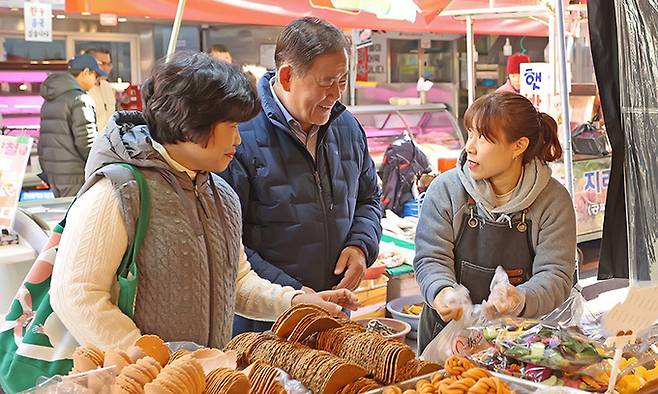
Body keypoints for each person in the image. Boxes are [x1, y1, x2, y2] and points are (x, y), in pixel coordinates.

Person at [49, 51, 359, 352]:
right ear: (191, 123)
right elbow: (75, 295)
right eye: (231, 126)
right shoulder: (120, 190)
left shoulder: (221, 195)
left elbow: (237, 283)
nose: (239, 139)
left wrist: (294, 302)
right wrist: (150, 361)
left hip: (205, 379)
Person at [221, 17, 382, 335]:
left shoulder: (347, 127)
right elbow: (227, 241)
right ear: (287, 76)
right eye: (326, 82)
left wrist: (361, 246)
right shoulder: (237, 135)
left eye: (343, 80)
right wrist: (292, 295)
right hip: (263, 323)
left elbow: (369, 198)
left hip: (333, 316)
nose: (336, 94)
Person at [413, 91, 576, 354]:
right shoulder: (447, 190)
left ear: (518, 146)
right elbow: (430, 257)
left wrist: (521, 297)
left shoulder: (553, 200)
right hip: (445, 340)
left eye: (483, 138)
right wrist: (441, 291)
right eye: (470, 134)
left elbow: (556, 275)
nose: (470, 147)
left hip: (518, 342)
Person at [38, 54, 105, 197]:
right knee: (78, 216)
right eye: (96, 76)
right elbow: (86, 142)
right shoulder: (80, 99)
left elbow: (42, 141)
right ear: (86, 72)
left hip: (54, 173)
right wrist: (102, 164)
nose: (96, 81)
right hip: (75, 174)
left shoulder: (50, 99)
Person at [84, 48, 118, 133]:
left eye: (109, 64)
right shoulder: (83, 89)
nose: (106, 68)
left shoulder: (107, 87)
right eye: (102, 64)